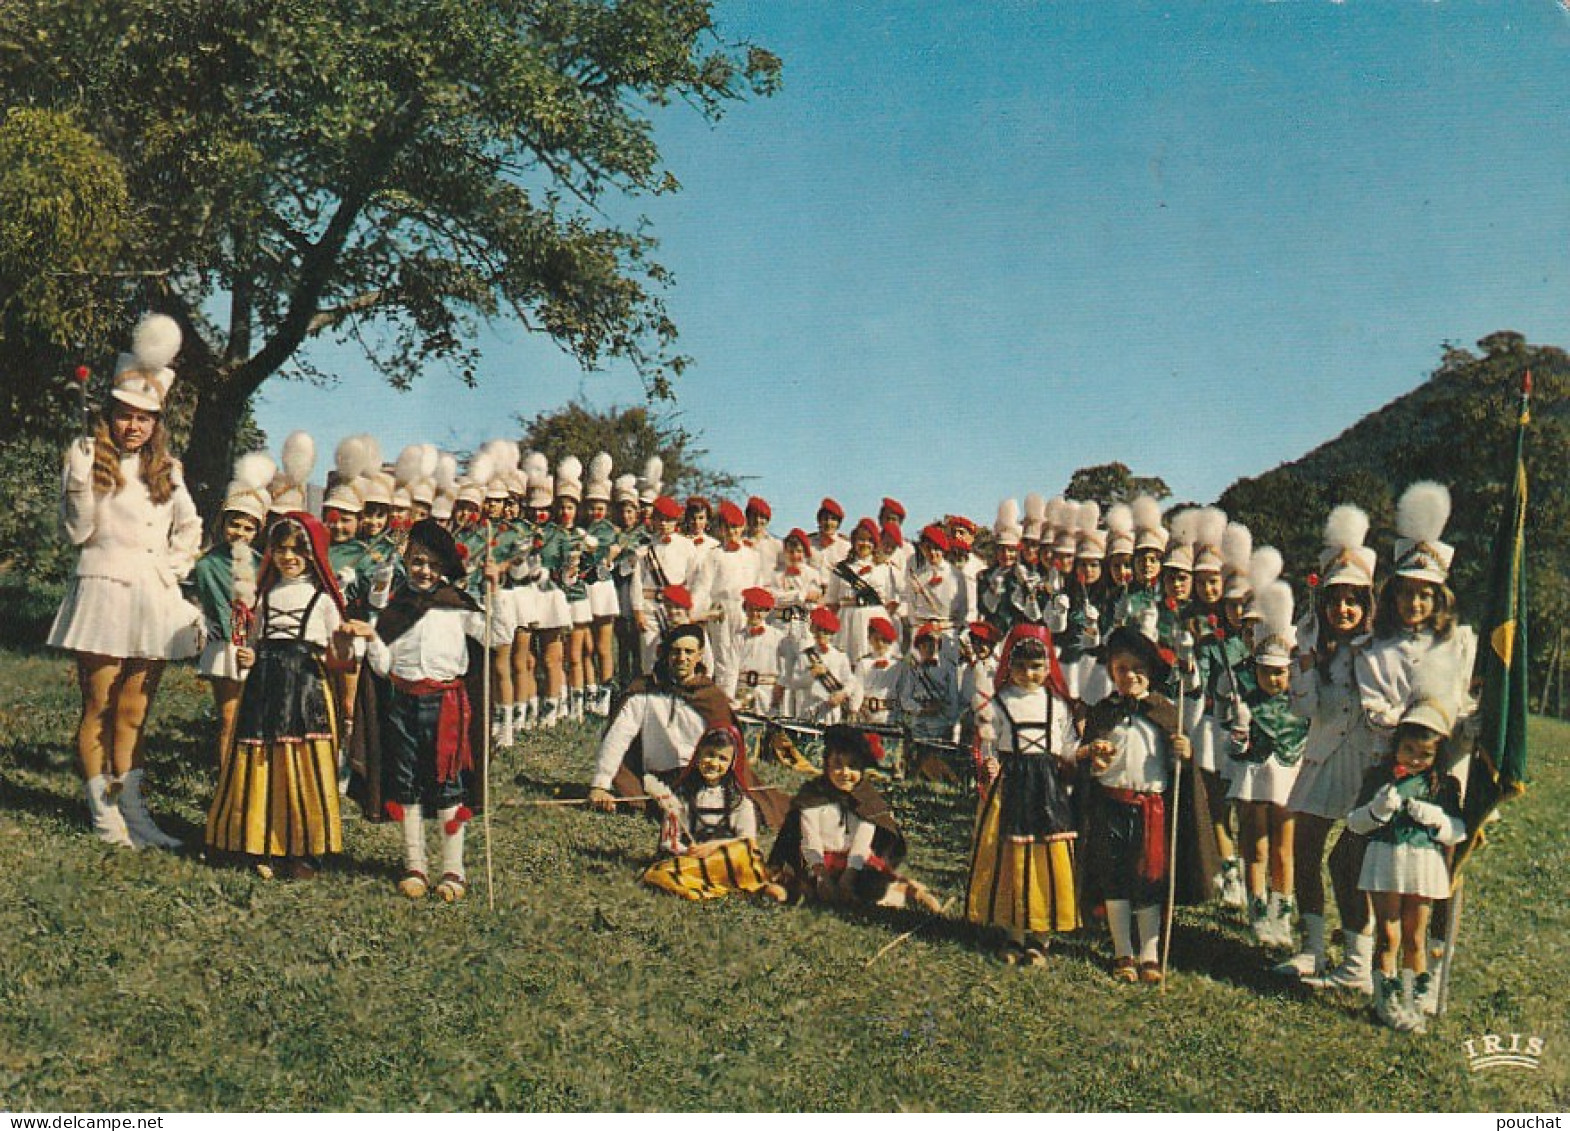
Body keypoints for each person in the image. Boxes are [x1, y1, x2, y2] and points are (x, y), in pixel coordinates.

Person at [49, 313, 203, 850]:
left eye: (144, 418)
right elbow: (79, 532)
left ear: (156, 423)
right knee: (100, 704)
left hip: (152, 597)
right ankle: (103, 813)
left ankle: (135, 814)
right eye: (124, 415)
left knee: (135, 709)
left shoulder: (170, 471)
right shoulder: (90, 459)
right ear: (109, 414)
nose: (132, 426)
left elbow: (191, 527)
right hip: (102, 590)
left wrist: (171, 570)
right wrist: (78, 483)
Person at [205, 513, 356, 878]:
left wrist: (346, 643)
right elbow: (257, 638)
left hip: (306, 687)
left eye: (297, 550)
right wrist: (250, 655)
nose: (288, 557)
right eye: (281, 549)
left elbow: (340, 654)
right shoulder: (267, 595)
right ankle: (258, 842)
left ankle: (305, 849)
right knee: (261, 760)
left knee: (303, 760)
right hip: (264, 685)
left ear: (313, 553)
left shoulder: (322, 600)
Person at [352, 520, 486, 901]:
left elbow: (499, 636)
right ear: (405, 563)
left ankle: (453, 871)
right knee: (406, 783)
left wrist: (497, 596)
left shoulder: (457, 606)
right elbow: (382, 666)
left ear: (443, 566)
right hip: (403, 706)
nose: (423, 571)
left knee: (447, 784)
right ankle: (415, 865)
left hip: (446, 708)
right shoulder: (397, 608)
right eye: (416, 562)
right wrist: (372, 639)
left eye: (430, 563)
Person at [1282, 506, 1381, 985]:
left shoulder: (1382, 650)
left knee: (1352, 862)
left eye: (1352, 602)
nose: (1342, 610)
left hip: (1364, 764)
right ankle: (1312, 948)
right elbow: (1305, 711)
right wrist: (1302, 660)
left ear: (1366, 605)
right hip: (1322, 759)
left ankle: (1358, 964)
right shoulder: (1314, 648)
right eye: (1334, 601)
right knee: (1304, 850)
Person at [1079, 627, 1209, 985]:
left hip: (1151, 809)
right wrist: (1094, 761)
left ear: (1150, 672)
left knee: (1149, 880)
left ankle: (1150, 955)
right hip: (1110, 807)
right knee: (1115, 879)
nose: (1130, 676)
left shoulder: (1165, 711)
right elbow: (1088, 758)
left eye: (1138, 669)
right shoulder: (1103, 713)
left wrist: (1184, 755)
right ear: (1111, 672)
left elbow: (1175, 767)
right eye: (1122, 669)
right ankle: (1123, 951)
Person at [1345, 651, 1467, 1033]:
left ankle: (1415, 998)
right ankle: (1386, 999)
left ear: (1437, 755)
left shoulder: (1442, 785)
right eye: (1409, 750)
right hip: (1385, 859)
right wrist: (1378, 810)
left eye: (1425, 754)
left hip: (1424, 865)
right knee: (1390, 932)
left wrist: (1439, 820)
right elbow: (1355, 823)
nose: (1415, 760)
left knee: (1416, 934)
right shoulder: (1380, 776)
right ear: (1398, 743)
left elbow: (1458, 831)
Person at [965, 625, 1081, 965]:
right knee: (1014, 858)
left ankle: (1041, 936)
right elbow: (989, 743)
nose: (1028, 674)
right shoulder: (999, 703)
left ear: (1048, 669)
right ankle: (1014, 934)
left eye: (1036, 667)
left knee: (1046, 856)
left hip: (1046, 785)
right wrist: (989, 762)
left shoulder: (1056, 706)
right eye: (1020, 666)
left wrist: (1086, 753)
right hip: (1012, 782)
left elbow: (1069, 747)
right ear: (1008, 666)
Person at [767, 725, 939, 910]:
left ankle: (908, 891)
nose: (845, 773)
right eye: (838, 765)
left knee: (870, 885)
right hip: (817, 860)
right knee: (807, 886)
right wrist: (822, 875)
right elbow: (811, 839)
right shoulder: (813, 795)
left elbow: (861, 842)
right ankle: (790, 890)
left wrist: (849, 877)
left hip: (854, 860)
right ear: (827, 765)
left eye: (853, 766)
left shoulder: (866, 798)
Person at [1227, 581, 1309, 948]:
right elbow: (1234, 749)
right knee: (1255, 846)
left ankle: (1282, 911)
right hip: (1254, 776)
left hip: (1288, 776)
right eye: (1265, 671)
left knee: (1283, 849)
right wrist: (1239, 729)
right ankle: (1257, 908)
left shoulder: (1302, 703)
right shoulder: (1244, 702)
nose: (1273, 679)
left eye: (1279, 672)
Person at [587, 623, 741, 811]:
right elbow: (618, 736)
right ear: (666, 654)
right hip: (655, 777)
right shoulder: (644, 692)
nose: (682, 658)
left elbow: (728, 747)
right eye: (676, 651)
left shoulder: (710, 697)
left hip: (701, 776)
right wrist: (600, 785)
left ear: (699, 655)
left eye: (689, 652)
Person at [185, 455, 272, 766]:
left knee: (257, 719)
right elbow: (197, 601)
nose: (240, 532)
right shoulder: (207, 564)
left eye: (249, 528)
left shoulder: (263, 565)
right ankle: (225, 784)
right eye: (235, 524)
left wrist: (255, 644)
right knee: (229, 718)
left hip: (255, 647)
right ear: (222, 524)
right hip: (224, 647)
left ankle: (250, 782)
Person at [640, 725, 786, 903]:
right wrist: (688, 851)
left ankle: (751, 885)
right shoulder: (682, 796)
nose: (714, 763)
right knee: (661, 874)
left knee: (744, 853)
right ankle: (722, 888)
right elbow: (669, 839)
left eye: (722, 758)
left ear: (732, 763)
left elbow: (747, 840)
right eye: (709, 754)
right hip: (693, 861)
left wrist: (714, 847)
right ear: (698, 755)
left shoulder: (739, 801)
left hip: (726, 859)